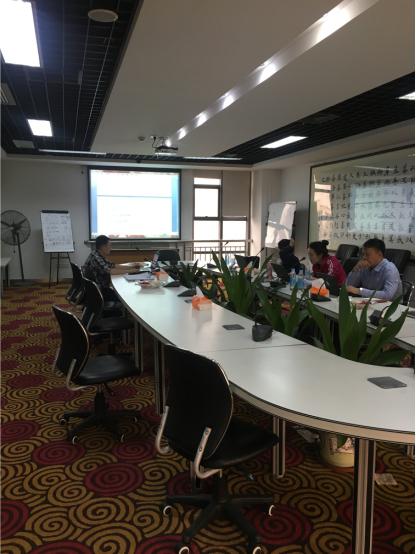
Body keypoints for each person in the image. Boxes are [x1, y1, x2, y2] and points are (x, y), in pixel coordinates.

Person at [82, 235, 139, 301]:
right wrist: (131, 271)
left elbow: (113, 265)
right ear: (103, 247)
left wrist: (131, 266)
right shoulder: (96, 258)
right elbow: (111, 271)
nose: (111, 248)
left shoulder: (97, 253)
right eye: (109, 246)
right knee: (124, 296)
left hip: (99, 287)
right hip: (98, 292)